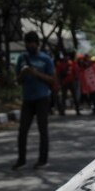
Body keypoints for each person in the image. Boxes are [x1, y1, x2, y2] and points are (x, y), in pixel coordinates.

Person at [14, 32, 55, 169]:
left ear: (37, 44)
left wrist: (36, 74)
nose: (29, 46)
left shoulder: (45, 59)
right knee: (22, 130)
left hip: (42, 98)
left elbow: (53, 80)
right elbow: (17, 80)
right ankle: (21, 159)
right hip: (28, 98)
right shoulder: (22, 59)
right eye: (27, 43)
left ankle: (42, 160)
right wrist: (23, 74)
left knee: (42, 129)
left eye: (31, 43)